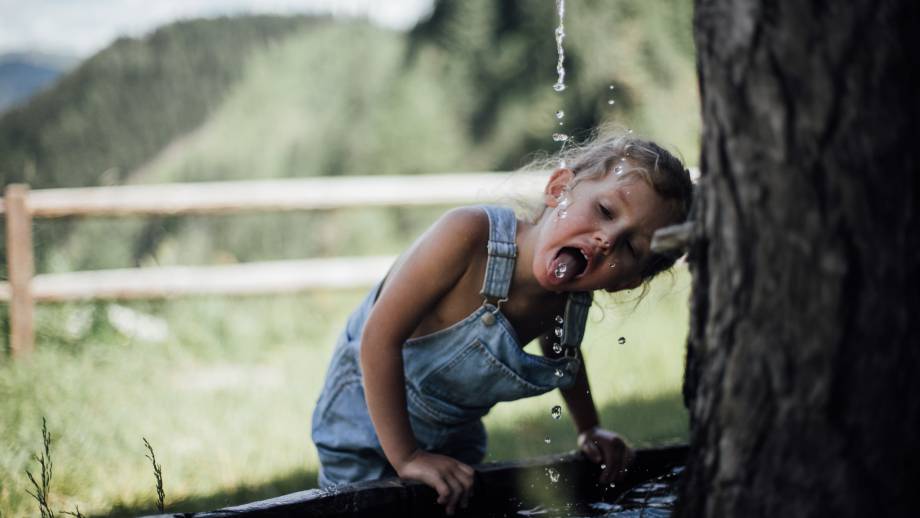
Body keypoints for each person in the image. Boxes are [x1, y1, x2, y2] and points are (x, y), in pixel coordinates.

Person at [311, 129, 693, 515]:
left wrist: (589, 428)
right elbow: (377, 339)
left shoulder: (569, 297)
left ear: (626, 281)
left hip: (453, 433)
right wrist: (408, 456)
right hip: (362, 417)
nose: (606, 240)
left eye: (630, 247)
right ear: (559, 188)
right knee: (360, 509)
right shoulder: (469, 237)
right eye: (605, 211)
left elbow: (565, 356)